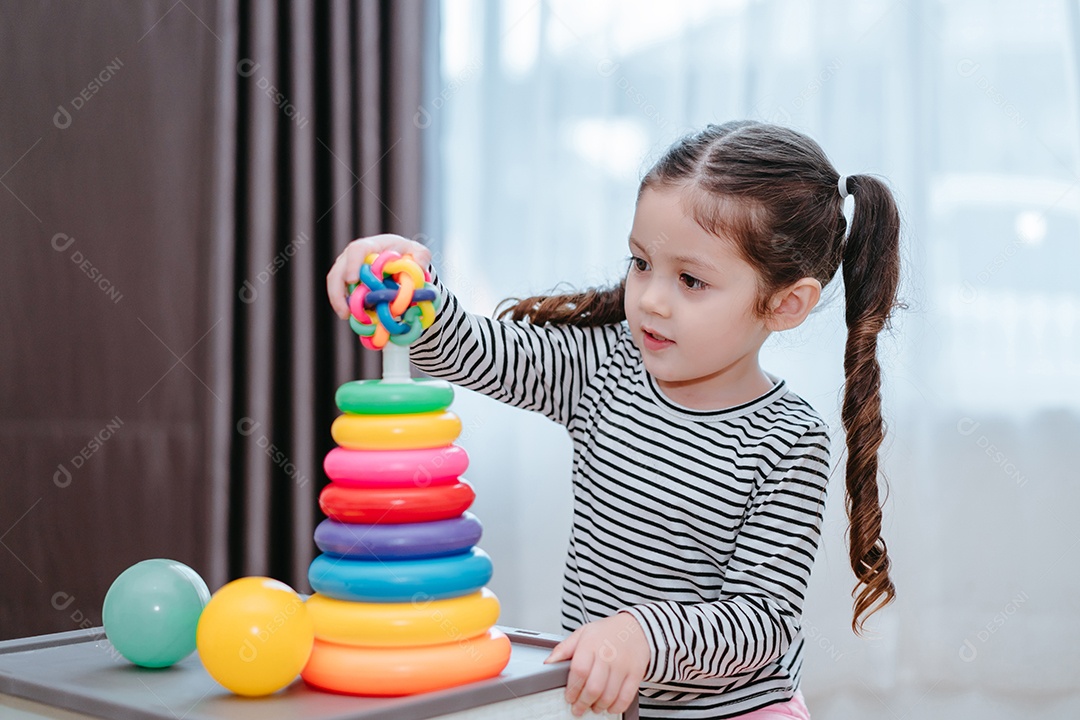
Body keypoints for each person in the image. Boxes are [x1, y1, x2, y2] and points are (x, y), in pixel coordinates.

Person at [326, 120, 903, 719]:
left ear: (784, 305)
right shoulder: (604, 368)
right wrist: (406, 287)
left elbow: (762, 622)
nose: (651, 297)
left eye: (690, 280)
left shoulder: (788, 440)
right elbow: (476, 351)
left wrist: (643, 636)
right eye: (641, 262)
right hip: (602, 705)